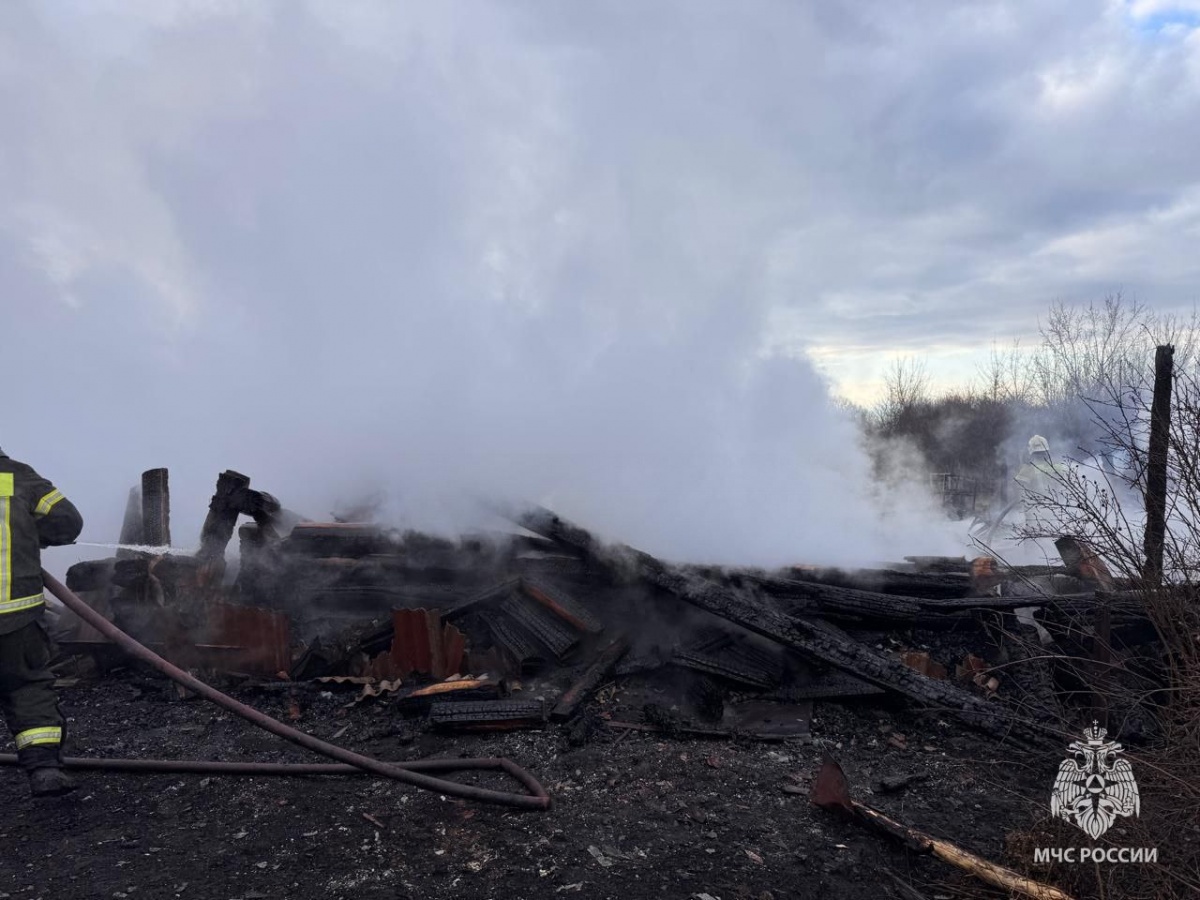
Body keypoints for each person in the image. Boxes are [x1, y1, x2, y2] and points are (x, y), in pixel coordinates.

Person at [0, 446, 83, 797]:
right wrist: (33, 533)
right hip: (14, 616)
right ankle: (45, 770)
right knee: (26, 684)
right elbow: (67, 521)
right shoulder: (16, 476)